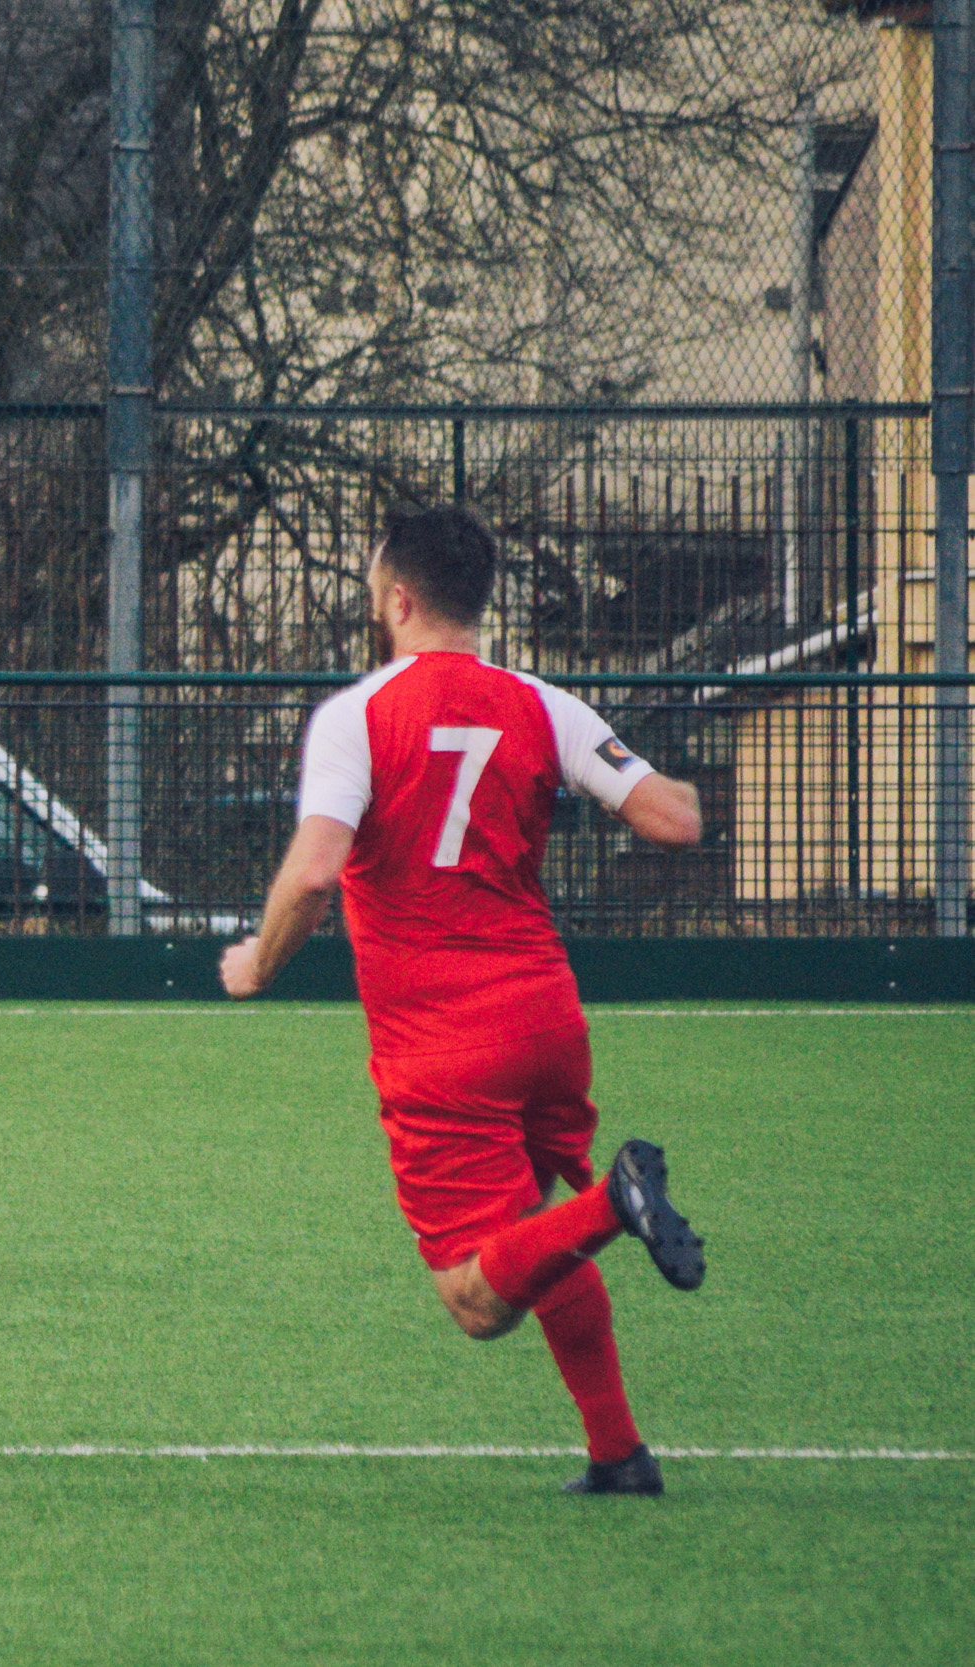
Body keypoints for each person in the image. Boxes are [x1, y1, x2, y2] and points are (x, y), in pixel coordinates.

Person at [220, 503, 709, 1496]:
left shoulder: (354, 715)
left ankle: (617, 1201)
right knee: (532, 1226)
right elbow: (674, 818)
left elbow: (315, 871)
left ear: (396, 599)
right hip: (545, 1019)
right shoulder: (542, 705)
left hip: (443, 1046)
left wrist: (258, 966)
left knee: (476, 1295)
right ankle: (618, 1450)